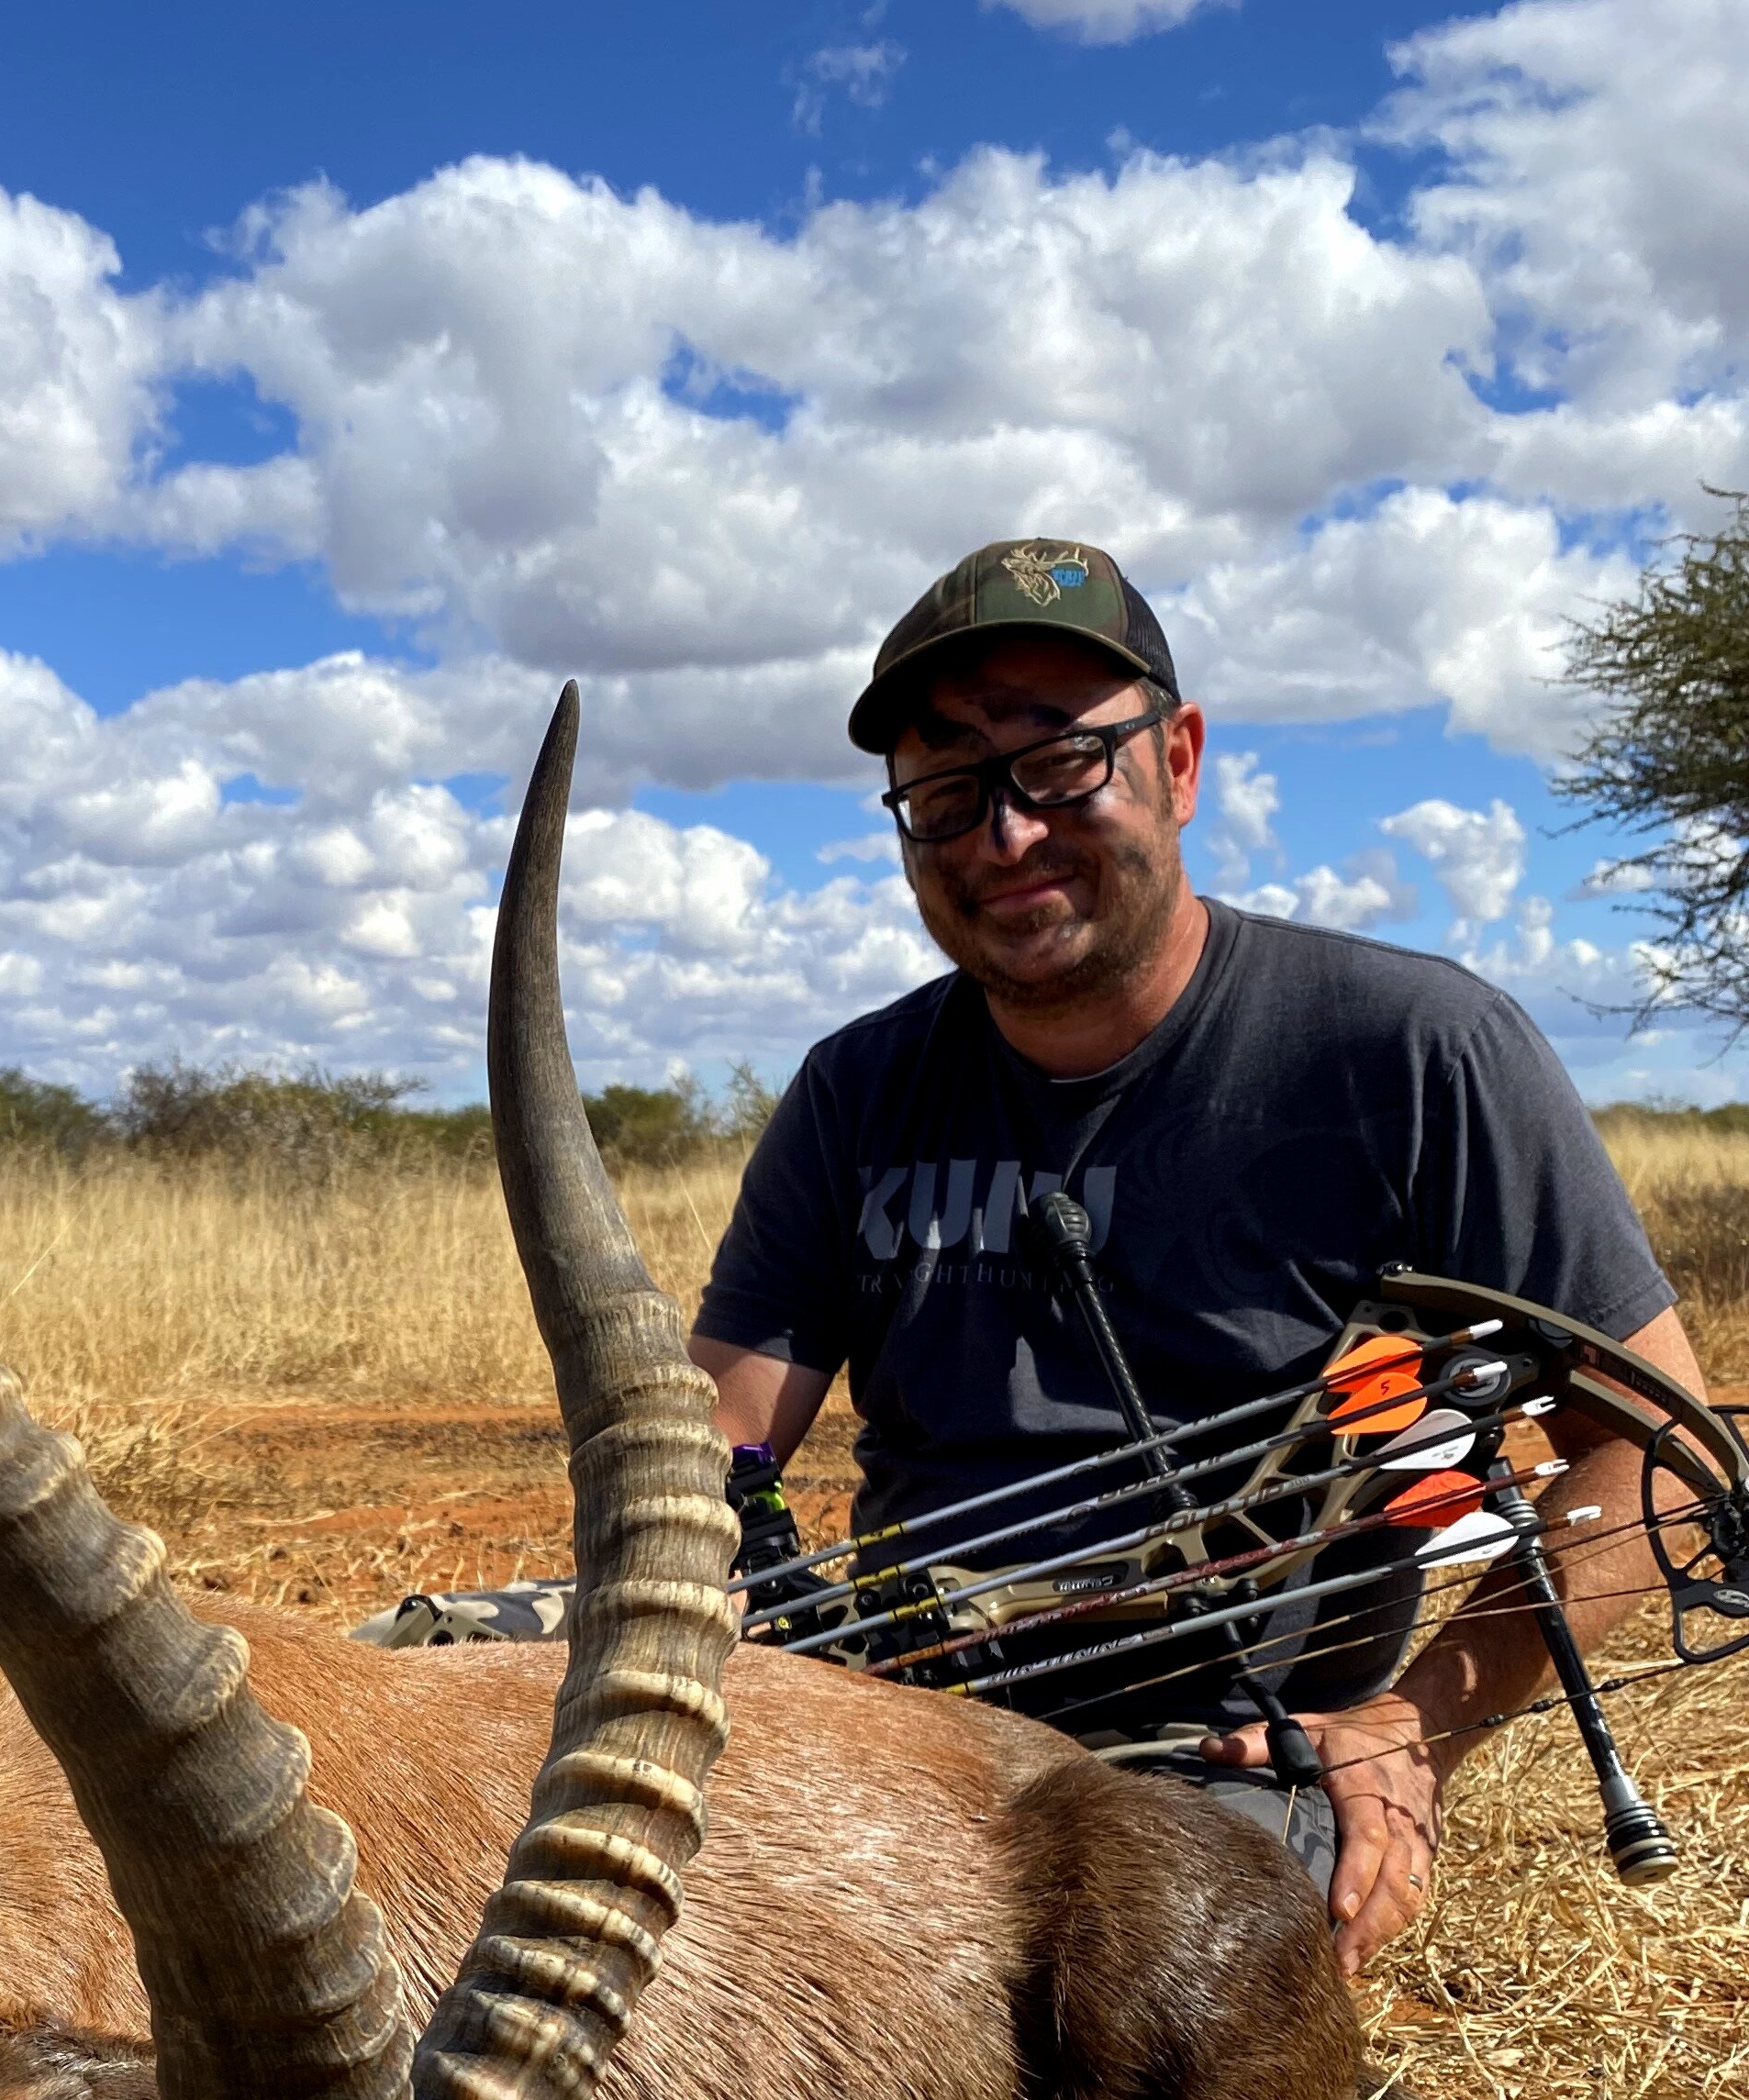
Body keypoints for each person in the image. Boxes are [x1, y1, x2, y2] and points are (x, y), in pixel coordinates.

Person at [690, 536, 1711, 1975]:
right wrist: (686, 1582)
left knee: (1141, 2006)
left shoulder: (1415, 1051)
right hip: (895, 1703)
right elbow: (716, 1447)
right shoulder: (855, 1088)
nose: (1004, 835)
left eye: (1058, 766)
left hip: (1220, 1746)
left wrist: (1414, 1728)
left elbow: (1650, 1447)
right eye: (944, 789)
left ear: (1179, 760)